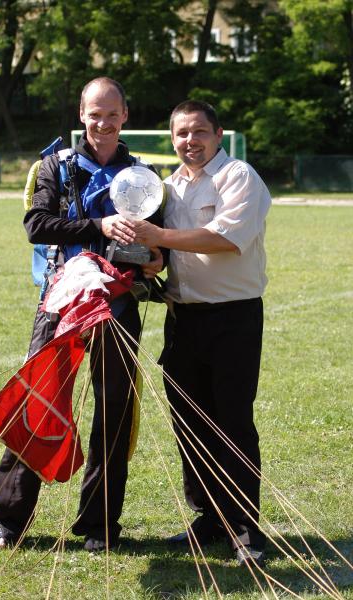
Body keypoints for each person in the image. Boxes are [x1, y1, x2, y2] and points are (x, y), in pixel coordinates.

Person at [0, 77, 164, 553]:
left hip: (119, 306)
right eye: (94, 113)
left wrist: (155, 259)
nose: (103, 123)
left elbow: (158, 242)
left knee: (115, 416)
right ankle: (9, 519)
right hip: (62, 304)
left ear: (126, 116)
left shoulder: (144, 174)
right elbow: (36, 225)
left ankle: (100, 526)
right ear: (81, 115)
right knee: (38, 404)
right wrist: (97, 225)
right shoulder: (54, 167)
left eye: (112, 114)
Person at [132, 100, 271, 567]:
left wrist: (158, 238)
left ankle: (244, 528)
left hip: (233, 318)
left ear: (219, 133)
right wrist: (152, 261)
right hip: (183, 320)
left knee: (232, 422)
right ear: (171, 138)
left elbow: (225, 237)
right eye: (181, 134)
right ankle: (208, 519)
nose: (190, 142)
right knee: (190, 426)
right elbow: (167, 255)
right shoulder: (167, 189)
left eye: (199, 133)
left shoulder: (239, 177)